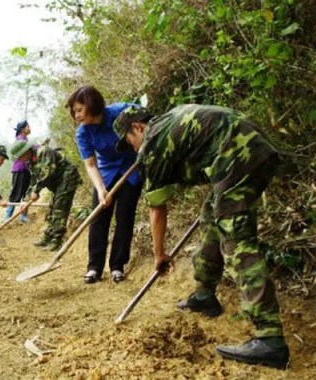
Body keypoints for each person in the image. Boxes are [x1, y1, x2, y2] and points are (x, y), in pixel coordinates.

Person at [113, 104, 290, 369]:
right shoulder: (167, 120)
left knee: (237, 242)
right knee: (210, 216)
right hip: (250, 152)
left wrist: (159, 253)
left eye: (129, 143)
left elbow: (157, 208)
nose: (133, 150)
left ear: (137, 127)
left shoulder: (152, 145)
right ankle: (205, 295)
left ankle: (270, 339)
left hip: (239, 158)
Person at [67, 86, 142, 284]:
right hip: (106, 173)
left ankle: (117, 266)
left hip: (132, 170)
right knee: (99, 218)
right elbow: (90, 164)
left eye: (79, 110)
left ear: (92, 105)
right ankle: (94, 267)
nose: (76, 115)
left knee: (125, 218)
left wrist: (143, 149)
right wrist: (101, 190)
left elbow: (146, 119)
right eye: (74, 111)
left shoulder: (121, 112)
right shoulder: (83, 133)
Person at [13, 141, 81, 251]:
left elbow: (48, 173)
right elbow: (34, 180)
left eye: (20, 157)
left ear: (25, 152)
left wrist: (37, 190)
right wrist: (26, 200)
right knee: (51, 209)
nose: (20, 160)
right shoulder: (30, 162)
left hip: (67, 178)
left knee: (59, 209)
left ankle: (56, 241)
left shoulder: (44, 151)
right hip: (57, 184)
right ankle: (48, 237)